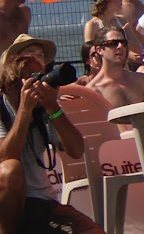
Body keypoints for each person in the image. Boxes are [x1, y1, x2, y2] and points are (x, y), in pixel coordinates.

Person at [0, 34, 103, 234]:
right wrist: (24, 109)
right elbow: (5, 156)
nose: (36, 61)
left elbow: (76, 150)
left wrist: (53, 108)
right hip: (6, 205)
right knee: (10, 169)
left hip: (41, 202)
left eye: (40, 56)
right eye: (29, 55)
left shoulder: (44, 107)